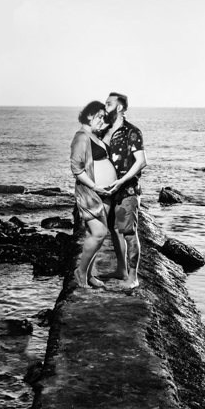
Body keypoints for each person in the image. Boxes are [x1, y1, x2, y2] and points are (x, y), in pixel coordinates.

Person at [101, 92, 147, 289]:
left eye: (109, 104)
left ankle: (133, 277)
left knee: (128, 232)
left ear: (119, 108)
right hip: (108, 191)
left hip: (127, 190)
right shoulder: (105, 131)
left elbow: (141, 162)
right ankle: (121, 269)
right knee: (113, 230)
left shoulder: (132, 132)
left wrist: (122, 181)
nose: (105, 107)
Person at [70, 101, 115, 289]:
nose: (102, 120)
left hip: (105, 193)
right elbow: (76, 169)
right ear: (89, 116)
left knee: (94, 235)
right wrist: (96, 186)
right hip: (91, 192)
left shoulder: (94, 136)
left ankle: (89, 273)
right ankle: (80, 272)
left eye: (104, 117)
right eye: (100, 116)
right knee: (99, 233)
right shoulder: (81, 137)